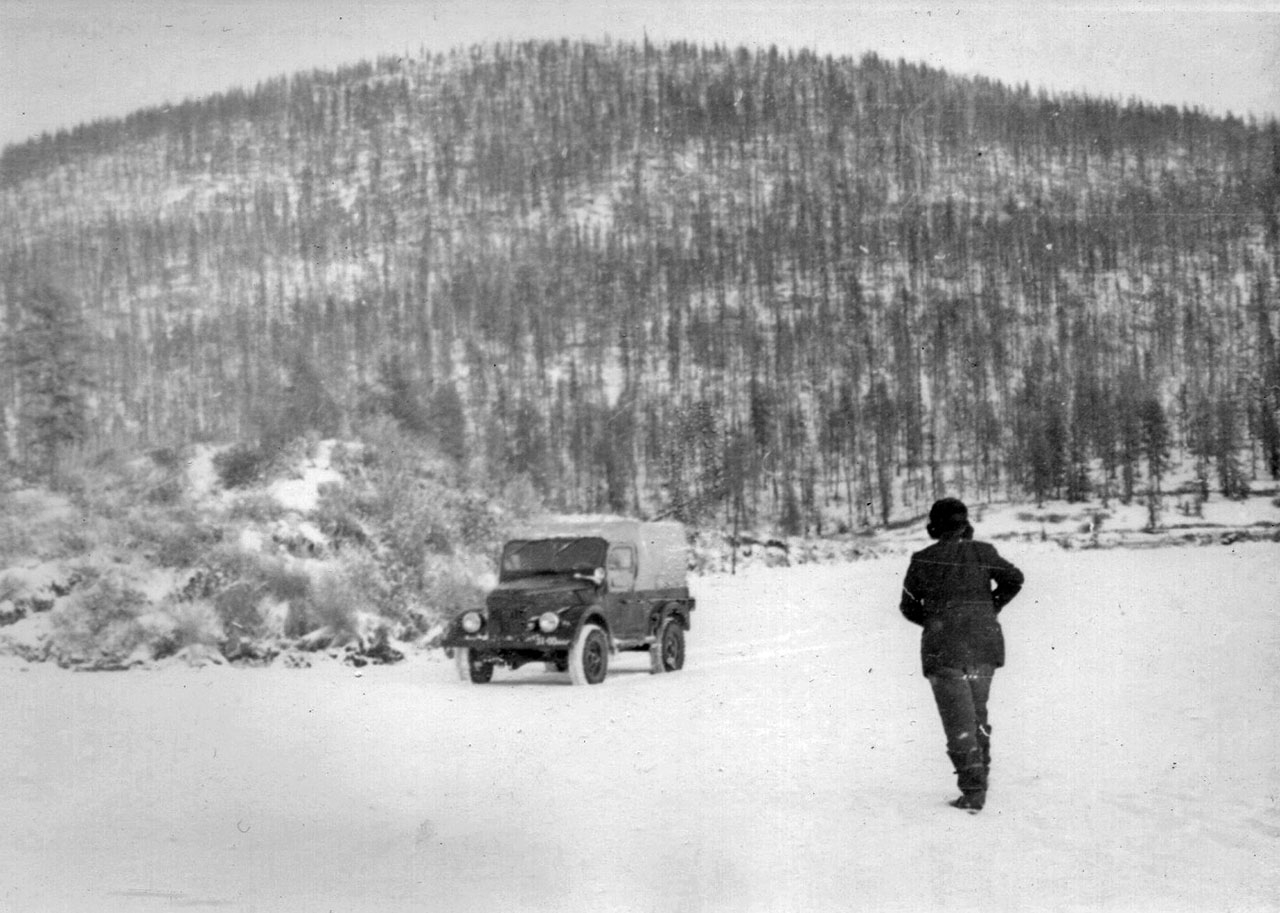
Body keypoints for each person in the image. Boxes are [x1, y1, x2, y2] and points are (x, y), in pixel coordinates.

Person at [899, 498, 1024, 813]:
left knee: (959, 723)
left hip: (944, 650)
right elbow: (1014, 579)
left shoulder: (923, 559)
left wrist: (936, 620)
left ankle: (973, 793)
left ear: (934, 526)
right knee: (977, 714)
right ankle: (981, 781)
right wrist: (989, 608)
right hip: (984, 645)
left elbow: (908, 606)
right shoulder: (983, 552)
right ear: (965, 524)